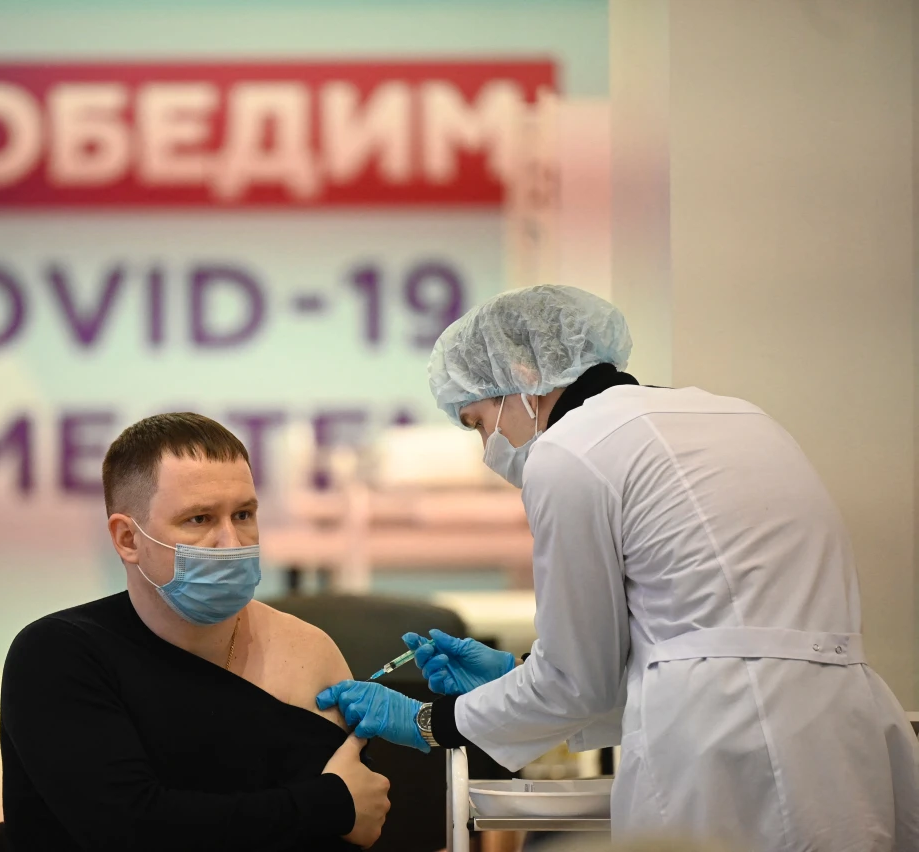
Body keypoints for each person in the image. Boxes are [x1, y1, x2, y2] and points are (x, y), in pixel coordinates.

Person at [318, 286, 919, 850]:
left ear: (525, 376)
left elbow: (579, 681)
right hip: (847, 727)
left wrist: (431, 720)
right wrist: (514, 675)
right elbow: (709, 643)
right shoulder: (733, 416)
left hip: (730, 752)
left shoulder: (568, 452)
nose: (487, 450)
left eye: (478, 422)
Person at [1, 413, 391, 851]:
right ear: (128, 539)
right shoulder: (59, 655)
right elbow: (131, 830)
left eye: (244, 514)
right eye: (200, 519)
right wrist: (324, 805)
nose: (232, 542)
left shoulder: (309, 650)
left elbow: (361, 819)